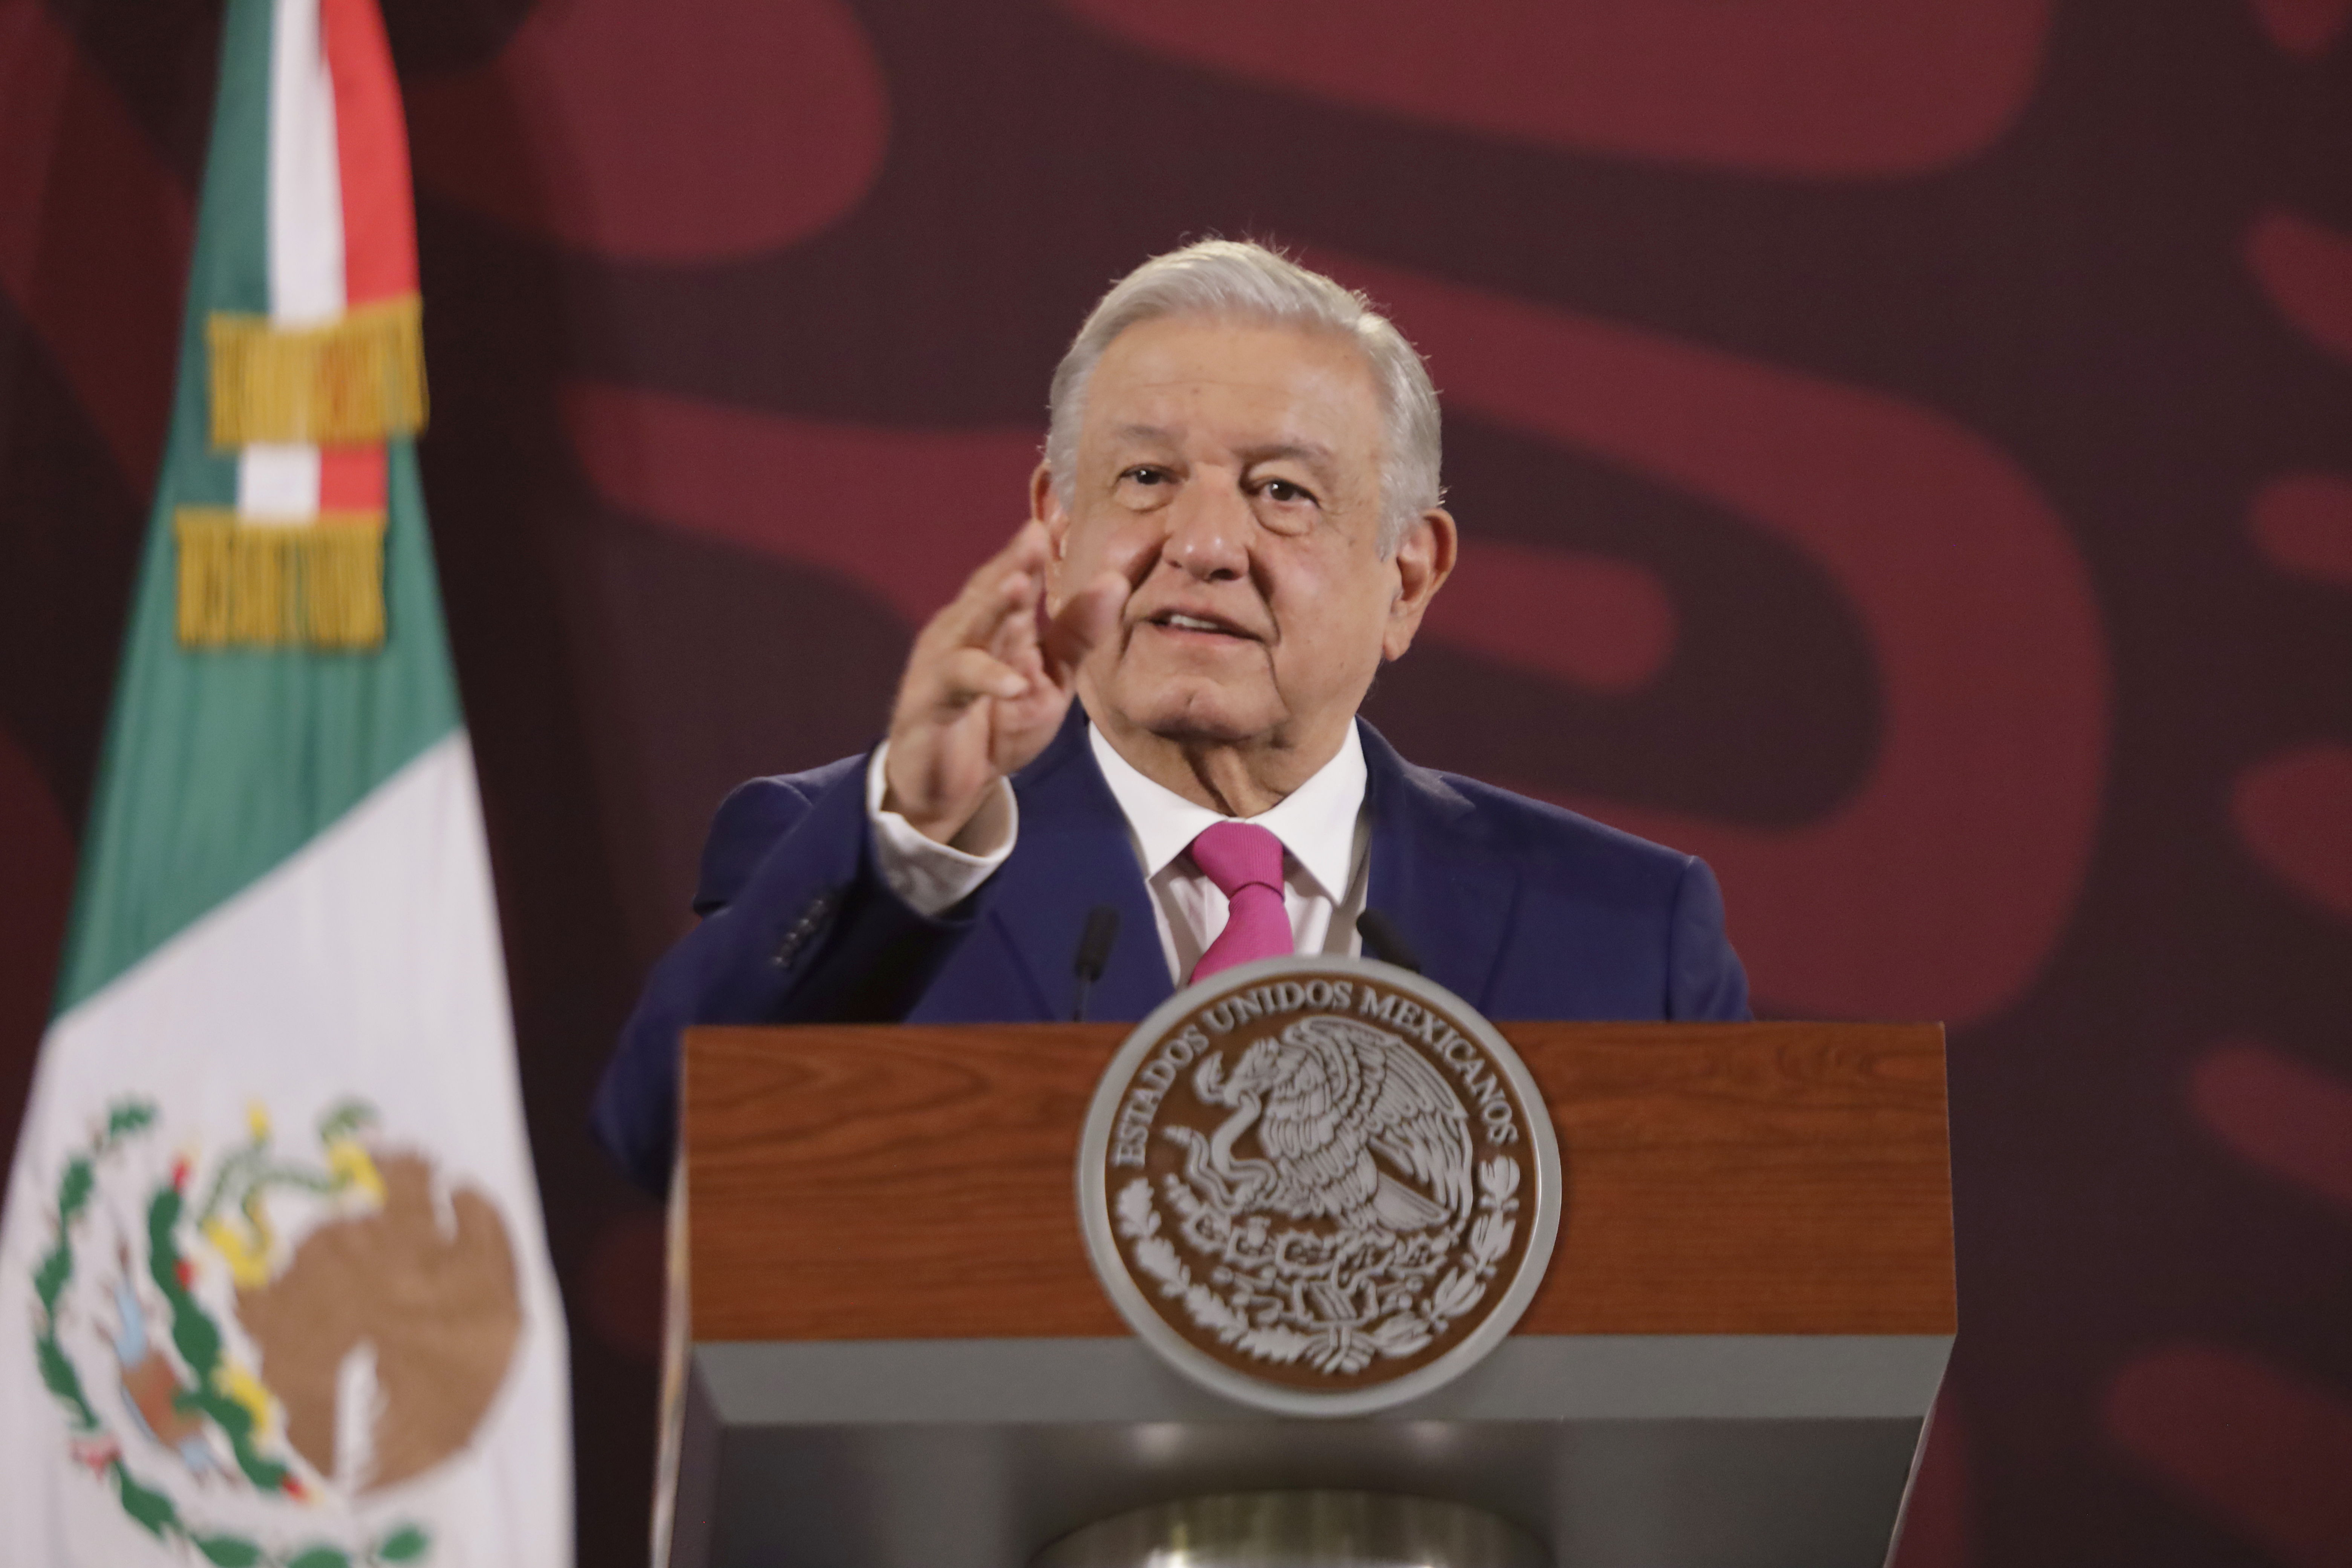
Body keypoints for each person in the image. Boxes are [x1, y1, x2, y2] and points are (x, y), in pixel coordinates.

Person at [592, 240, 1747, 1195]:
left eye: (1281, 492)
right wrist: (919, 839)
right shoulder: (868, 856)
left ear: (1409, 577)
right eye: (1145, 479)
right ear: (1056, 526)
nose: (1201, 547)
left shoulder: (1626, 934)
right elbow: (663, 1143)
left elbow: (1749, 1333)